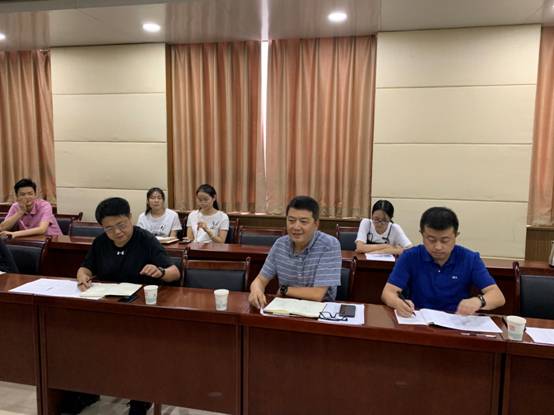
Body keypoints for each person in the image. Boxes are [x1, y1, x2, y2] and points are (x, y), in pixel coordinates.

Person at [75, 197, 180, 415]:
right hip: (108, 308)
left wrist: (159, 271)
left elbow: (174, 272)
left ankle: (140, 397)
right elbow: (85, 268)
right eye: (109, 228)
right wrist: (82, 276)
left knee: (136, 346)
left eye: (121, 225)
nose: (117, 232)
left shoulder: (145, 239)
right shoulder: (100, 243)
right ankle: (88, 389)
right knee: (82, 337)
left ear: (130, 218)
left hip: (141, 310)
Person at [381, 207, 505, 317]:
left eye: (445, 240)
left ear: (456, 236)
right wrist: (398, 303)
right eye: (431, 239)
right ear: (422, 235)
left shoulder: (470, 259)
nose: (438, 247)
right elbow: (388, 293)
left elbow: (497, 296)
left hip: (457, 322)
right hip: (419, 321)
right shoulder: (409, 257)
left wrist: (478, 301)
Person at [248, 195, 342, 309]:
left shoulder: (329, 245)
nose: (296, 227)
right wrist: (256, 290)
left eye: (303, 222)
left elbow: (317, 294)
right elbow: (260, 280)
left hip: (319, 311)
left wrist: (284, 290)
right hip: (285, 310)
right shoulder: (280, 244)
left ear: (316, 224)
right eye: (291, 220)